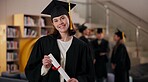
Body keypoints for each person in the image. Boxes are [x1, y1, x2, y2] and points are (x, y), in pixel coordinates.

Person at [25, 0, 95, 82]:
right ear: (53, 24)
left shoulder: (82, 46)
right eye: (56, 20)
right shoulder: (43, 43)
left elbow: (89, 74)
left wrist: (78, 80)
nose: (60, 22)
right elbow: (30, 70)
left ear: (69, 18)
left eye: (63, 18)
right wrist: (44, 67)